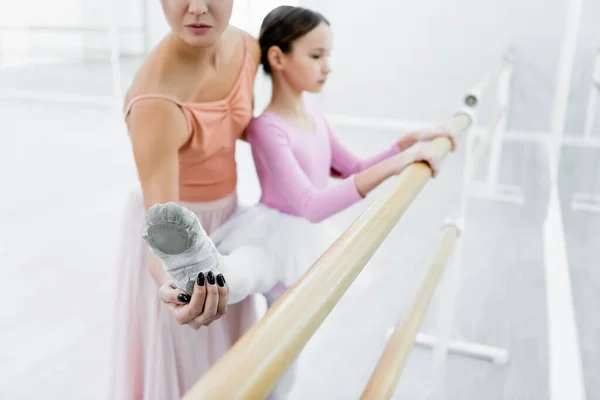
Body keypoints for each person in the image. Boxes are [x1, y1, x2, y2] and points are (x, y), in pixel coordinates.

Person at [139, 5, 456, 398]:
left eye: (328, 56)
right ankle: (196, 269)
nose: (327, 67)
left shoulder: (313, 116)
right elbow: (311, 204)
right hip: (272, 234)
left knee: (284, 358)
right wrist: (396, 166)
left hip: (300, 243)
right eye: (316, 55)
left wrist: (403, 147)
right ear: (278, 58)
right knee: (240, 274)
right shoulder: (267, 128)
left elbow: (350, 167)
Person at [107, 0, 268, 398]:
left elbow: (257, 128)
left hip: (227, 227)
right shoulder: (154, 102)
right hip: (180, 243)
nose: (197, 8)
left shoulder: (248, 48)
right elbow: (160, 232)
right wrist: (179, 289)